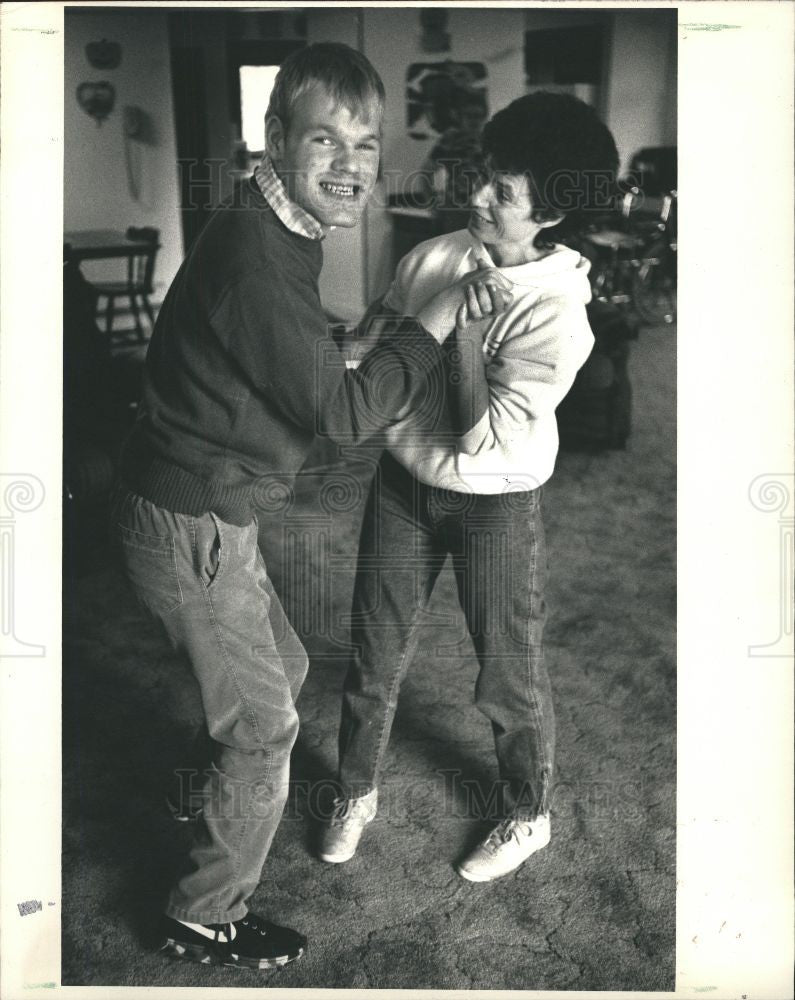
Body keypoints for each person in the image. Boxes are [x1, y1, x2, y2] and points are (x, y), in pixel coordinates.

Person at [112, 43, 511, 970]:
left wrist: (358, 335)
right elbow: (342, 416)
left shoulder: (269, 221)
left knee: (283, 668)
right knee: (267, 728)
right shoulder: (259, 258)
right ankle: (203, 911)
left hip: (203, 509)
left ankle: (204, 790)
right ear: (274, 137)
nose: (347, 164)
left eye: (364, 144)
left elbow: (282, 349)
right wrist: (433, 321)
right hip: (191, 522)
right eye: (323, 139)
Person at [320, 92, 619, 882]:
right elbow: (375, 342)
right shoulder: (433, 256)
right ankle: (354, 792)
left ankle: (528, 814)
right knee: (372, 651)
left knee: (506, 667)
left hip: (496, 499)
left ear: (549, 212)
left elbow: (473, 431)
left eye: (504, 193)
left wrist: (464, 335)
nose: (478, 197)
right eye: (482, 176)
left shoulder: (558, 316)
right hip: (400, 483)